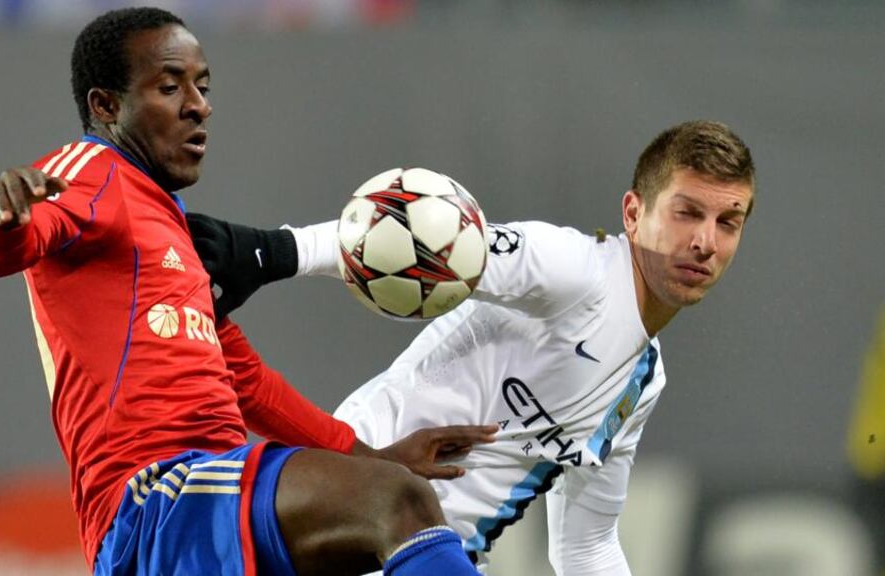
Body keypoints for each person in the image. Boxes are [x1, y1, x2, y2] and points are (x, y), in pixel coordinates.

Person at [0, 7, 498, 576]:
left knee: (381, 516)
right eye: (170, 86)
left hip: (210, 500)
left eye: (202, 85)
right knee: (394, 503)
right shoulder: (90, 173)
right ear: (106, 106)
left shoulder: (168, 222)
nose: (198, 105)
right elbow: (4, 248)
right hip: (154, 502)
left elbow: (245, 380)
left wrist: (371, 456)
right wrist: (5, 216)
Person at [189, 120, 756, 574]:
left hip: (429, 554)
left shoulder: (641, 383)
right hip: (357, 505)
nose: (706, 241)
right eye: (687, 212)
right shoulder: (574, 270)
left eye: (728, 221)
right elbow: (417, 234)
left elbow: (586, 549)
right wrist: (270, 252)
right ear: (633, 214)